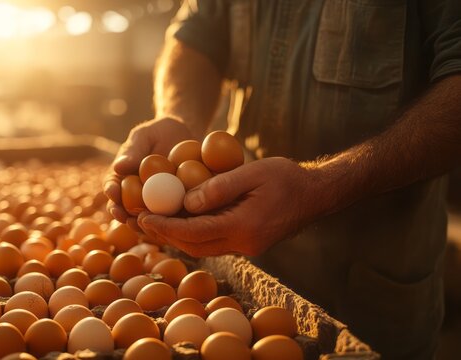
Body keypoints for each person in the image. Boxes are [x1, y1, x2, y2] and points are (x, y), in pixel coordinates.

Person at [103, 1, 461, 359]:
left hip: (369, 285)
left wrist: (321, 186)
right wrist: (179, 117)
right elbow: (197, 35)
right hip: (239, 267)